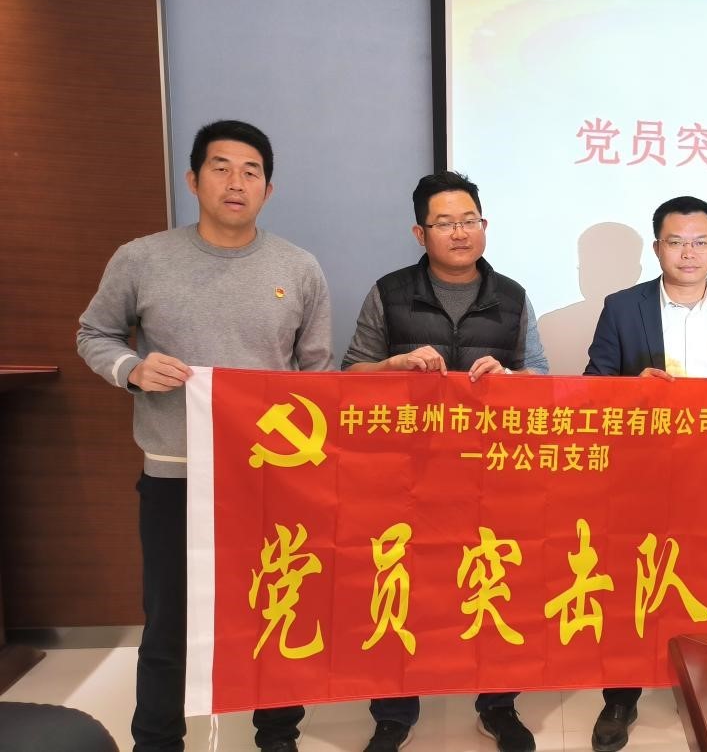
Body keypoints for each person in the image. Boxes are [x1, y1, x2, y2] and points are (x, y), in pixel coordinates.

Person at [76, 120, 328, 752]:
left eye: (250, 172)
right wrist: (132, 369)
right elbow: (93, 335)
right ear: (193, 180)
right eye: (221, 168)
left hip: (270, 477)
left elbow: (315, 376)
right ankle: (157, 740)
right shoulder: (142, 258)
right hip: (176, 474)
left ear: (268, 189)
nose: (235, 182)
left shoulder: (299, 269)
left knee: (277, 608)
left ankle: (278, 735)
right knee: (171, 621)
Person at [341, 170, 548, 752]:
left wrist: (510, 378)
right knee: (399, 584)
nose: (460, 233)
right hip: (404, 471)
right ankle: (393, 712)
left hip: (489, 471)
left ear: (485, 225)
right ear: (420, 232)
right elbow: (350, 376)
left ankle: (498, 706)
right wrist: (393, 367)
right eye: (445, 223)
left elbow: (540, 375)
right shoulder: (389, 292)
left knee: (496, 583)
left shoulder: (513, 296)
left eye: (469, 220)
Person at [583, 195, 707, 752]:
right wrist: (632, 389)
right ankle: (621, 697)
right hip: (643, 470)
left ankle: (703, 689)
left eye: (700, 241)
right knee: (631, 582)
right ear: (657, 246)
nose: (689, 253)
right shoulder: (623, 307)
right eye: (677, 241)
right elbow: (594, 384)